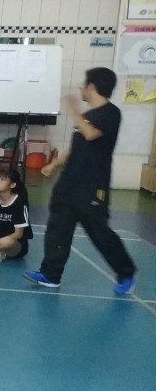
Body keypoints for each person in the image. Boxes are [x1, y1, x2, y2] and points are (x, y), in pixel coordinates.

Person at [26, 68, 137, 293]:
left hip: (92, 186)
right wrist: (54, 165)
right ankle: (51, 274)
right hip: (68, 183)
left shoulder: (110, 113)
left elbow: (91, 134)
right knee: (58, 228)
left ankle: (125, 271)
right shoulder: (87, 116)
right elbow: (76, 145)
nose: (80, 89)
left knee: (99, 232)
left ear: (92, 87)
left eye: (83, 84)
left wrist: (74, 109)